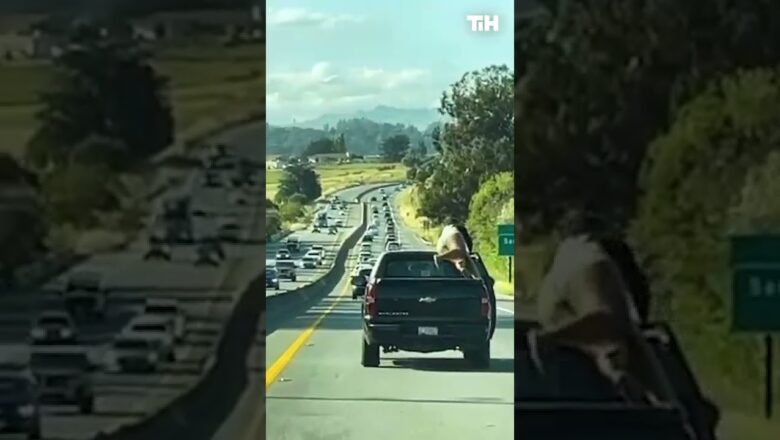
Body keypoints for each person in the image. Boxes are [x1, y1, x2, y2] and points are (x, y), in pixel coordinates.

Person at [529, 211, 677, 405]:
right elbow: (612, 316)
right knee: (616, 325)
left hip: (564, 313)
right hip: (583, 257)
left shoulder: (566, 266)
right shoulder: (587, 252)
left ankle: (615, 369)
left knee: (612, 345)